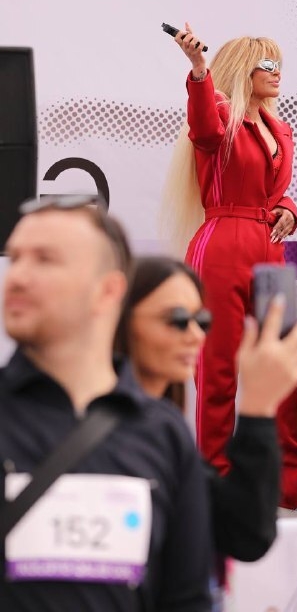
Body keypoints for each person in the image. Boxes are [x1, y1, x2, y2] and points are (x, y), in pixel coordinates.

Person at [0, 196, 212, 611]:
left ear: (108, 291)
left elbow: (187, 599)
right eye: (16, 257)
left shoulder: (164, 434)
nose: (18, 276)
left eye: (45, 260)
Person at [161, 23, 297, 517]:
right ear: (244, 70)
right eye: (267, 65)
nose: (277, 73)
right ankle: (215, 487)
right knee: (217, 371)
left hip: (270, 250)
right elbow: (203, 127)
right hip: (222, 245)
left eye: (280, 64)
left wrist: (289, 209)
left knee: (282, 372)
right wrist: (199, 70)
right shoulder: (219, 115)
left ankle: (294, 490)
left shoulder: (280, 129)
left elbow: (275, 190)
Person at [114, 254, 297, 559]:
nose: (196, 335)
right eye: (178, 320)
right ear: (121, 320)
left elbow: (247, 537)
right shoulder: (114, 426)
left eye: (202, 321)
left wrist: (258, 410)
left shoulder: (168, 432)